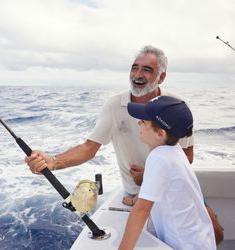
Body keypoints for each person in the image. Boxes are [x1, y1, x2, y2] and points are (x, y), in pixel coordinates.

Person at [25, 45, 223, 244]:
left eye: (146, 69)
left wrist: (148, 175)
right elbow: (89, 148)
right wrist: (53, 162)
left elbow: (187, 156)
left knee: (217, 234)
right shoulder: (114, 105)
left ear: (161, 77)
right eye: (134, 67)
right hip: (138, 195)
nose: (137, 74)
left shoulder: (177, 107)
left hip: (173, 192)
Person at [119, 95, 216, 250]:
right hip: (199, 241)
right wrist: (137, 198)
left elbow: (141, 211)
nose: (138, 123)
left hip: (185, 245)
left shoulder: (159, 158)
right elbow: (159, 187)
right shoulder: (174, 151)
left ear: (160, 134)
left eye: (143, 122)